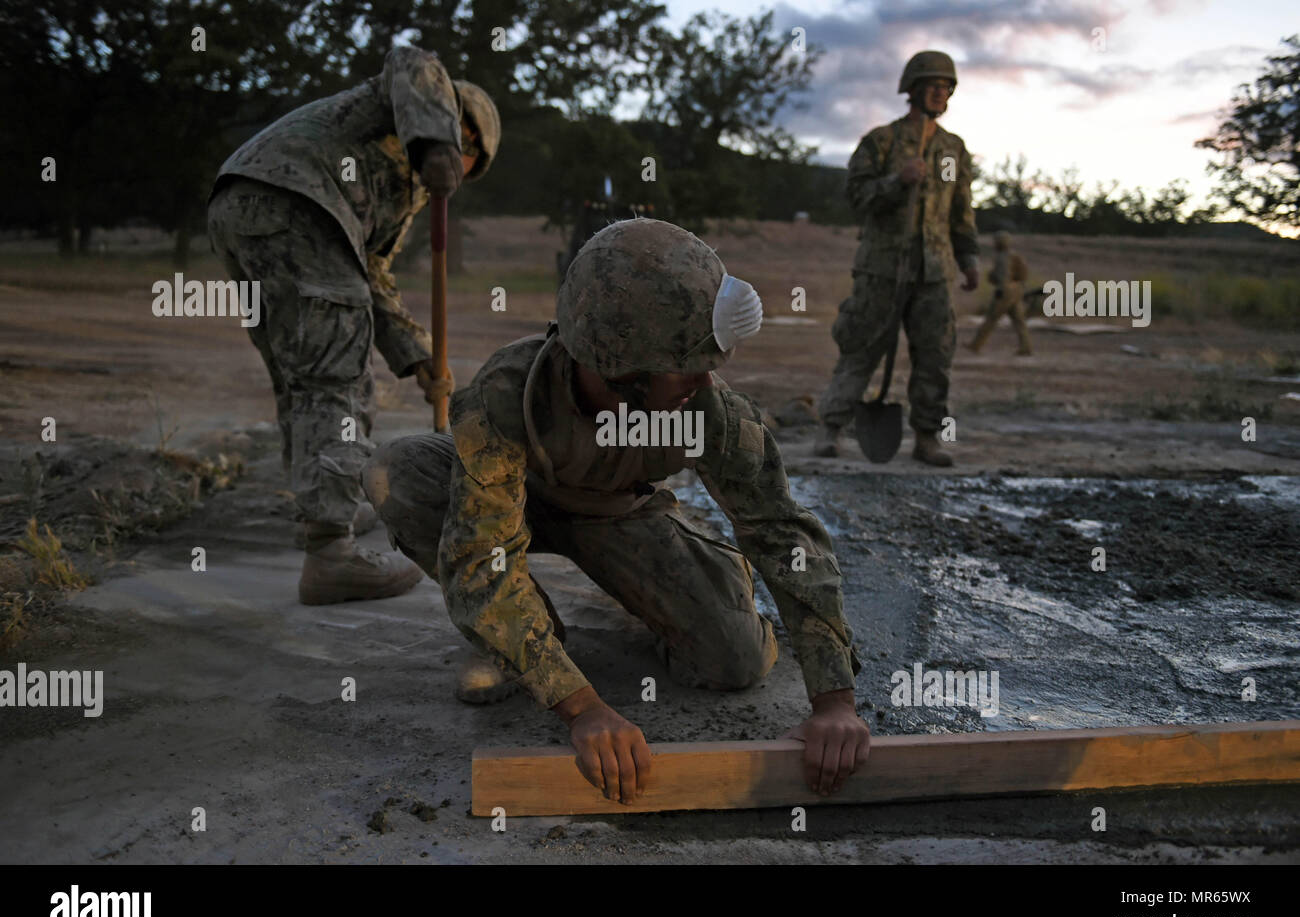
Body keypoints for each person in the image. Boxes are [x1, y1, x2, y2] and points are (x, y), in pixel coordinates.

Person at [362, 218, 869, 803]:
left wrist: (835, 701)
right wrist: (581, 708)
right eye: (686, 361)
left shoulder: (705, 408)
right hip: (510, 503)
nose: (705, 378)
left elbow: (782, 532)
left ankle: (676, 570)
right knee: (394, 472)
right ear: (619, 368)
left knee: (736, 659)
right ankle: (527, 639)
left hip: (619, 513)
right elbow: (480, 554)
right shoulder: (503, 396)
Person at [206, 46, 500, 604]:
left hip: (248, 206)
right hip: (297, 199)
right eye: (468, 162)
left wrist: (420, 357)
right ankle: (331, 553)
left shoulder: (404, 189)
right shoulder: (404, 102)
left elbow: (372, 275)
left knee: (302, 376)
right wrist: (436, 143)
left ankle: (325, 501)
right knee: (336, 378)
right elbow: (414, 60)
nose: (460, 178)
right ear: (463, 131)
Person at [814, 50, 979, 467]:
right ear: (913, 90)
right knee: (860, 347)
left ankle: (927, 438)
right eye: (933, 86)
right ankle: (831, 428)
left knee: (935, 354)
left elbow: (961, 211)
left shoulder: (953, 150)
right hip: (882, 268)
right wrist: (896, 181)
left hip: (934, 271)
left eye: (946, 87)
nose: (941, 93)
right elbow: (856, 196)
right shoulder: (881, 141)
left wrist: (969, 259)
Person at [968, 231, 1032, 355]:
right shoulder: (1015, 256)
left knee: (991, 318)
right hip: (1016, 290)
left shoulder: (1002, 257)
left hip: (1005, 291)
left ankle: (976, 345)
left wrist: (999, 289)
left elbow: (1002, 276)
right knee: (1019, 321)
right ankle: (1026, 347)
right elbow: (1023, 273)